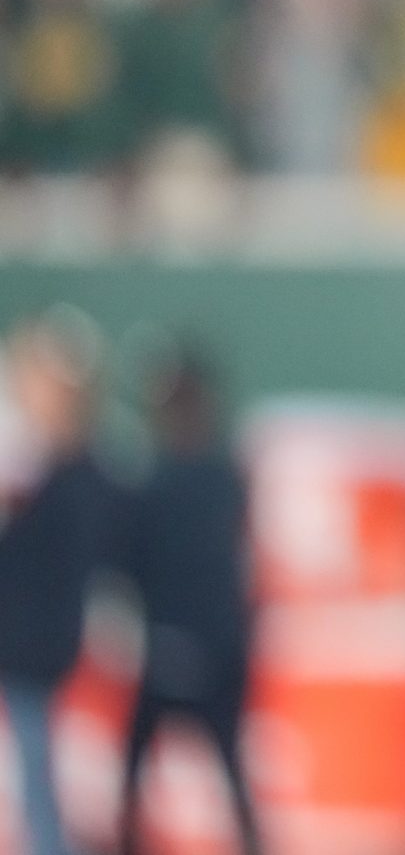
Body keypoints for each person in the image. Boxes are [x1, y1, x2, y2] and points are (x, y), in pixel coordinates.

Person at [117, 347, 262, 855]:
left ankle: (129, 841)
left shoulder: (159, 483)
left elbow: (135, 564)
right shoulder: (225, 476)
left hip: (182, 637)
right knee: (221, 759)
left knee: (142, 755)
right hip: (220, 638)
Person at [0, 312, 112, 855]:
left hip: (31, 638)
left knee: (37, 757)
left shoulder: (63, 465)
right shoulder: (36, 453)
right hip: (35, 634)